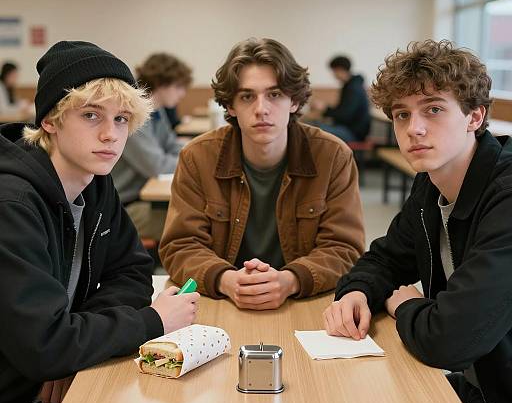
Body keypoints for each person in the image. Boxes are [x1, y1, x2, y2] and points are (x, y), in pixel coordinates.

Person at [0, 41, 199, 403]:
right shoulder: (11, 204)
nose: (111, 134)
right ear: (50, 120)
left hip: (43, 380)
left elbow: (132, 269)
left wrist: (73, 348)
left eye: (122, 119)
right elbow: (46, 344)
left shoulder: (95, 182)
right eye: (91, 116)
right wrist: (153, 322)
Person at [323, 40, 512, 403]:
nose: (415, 129)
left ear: (475, 116)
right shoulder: (431, 184)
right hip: (474, 390)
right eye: (402, 115)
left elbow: (450, 339)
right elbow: (386, 259)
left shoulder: (506, 197)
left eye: (433, 109)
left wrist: (404, 302)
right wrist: (356, 292)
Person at [159, 38, 365, 310]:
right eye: (247, 96)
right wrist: (225, 279)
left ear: (294, 101)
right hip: (222, 302)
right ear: (230, 106)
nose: (261, 109)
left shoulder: (333, 156)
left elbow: (344, 248)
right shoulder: (197, 157)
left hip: (304, 303)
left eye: (275, 94)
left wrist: (290, 280)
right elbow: (180, 245)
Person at [112, 53, 192, 241]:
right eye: (178, 86)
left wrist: (190, 157)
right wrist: (194, 164)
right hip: (124, 207)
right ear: (162, 83)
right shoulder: (133, 115)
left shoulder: (156, 110)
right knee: (190, 222)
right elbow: (157, 166)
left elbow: (172, 146)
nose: (182, 94)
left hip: (144, 199)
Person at [310, 55, 370, 142]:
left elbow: (344, 116)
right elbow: (342, 112)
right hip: (348, 129)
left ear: (340, 70)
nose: (333, 75)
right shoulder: (349, 85)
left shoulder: (353, 88)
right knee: (313, 125)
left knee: (314, 129)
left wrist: (324, 108)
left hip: (354, 133)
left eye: (334, 71)